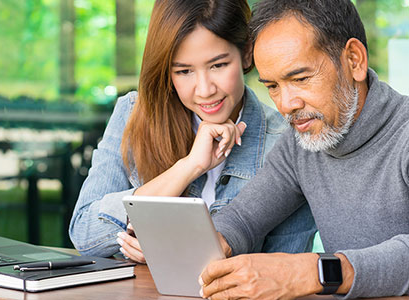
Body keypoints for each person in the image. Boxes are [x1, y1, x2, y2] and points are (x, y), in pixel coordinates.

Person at [68, 0, 316, 263]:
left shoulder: (288, 143)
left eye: (218, 65)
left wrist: (176, 255)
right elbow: (84, 234)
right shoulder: (134, 113)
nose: (205, 89)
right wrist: (189, 167)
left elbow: (283, 271)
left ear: (245, 53)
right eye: (184, 71)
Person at [198, 0, 409, 299]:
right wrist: (209, 243)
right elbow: (243, 218)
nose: (286, 105)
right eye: (272, 86)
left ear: (354, 61)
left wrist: (316, 272)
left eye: (300, 79)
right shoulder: (301, 144)